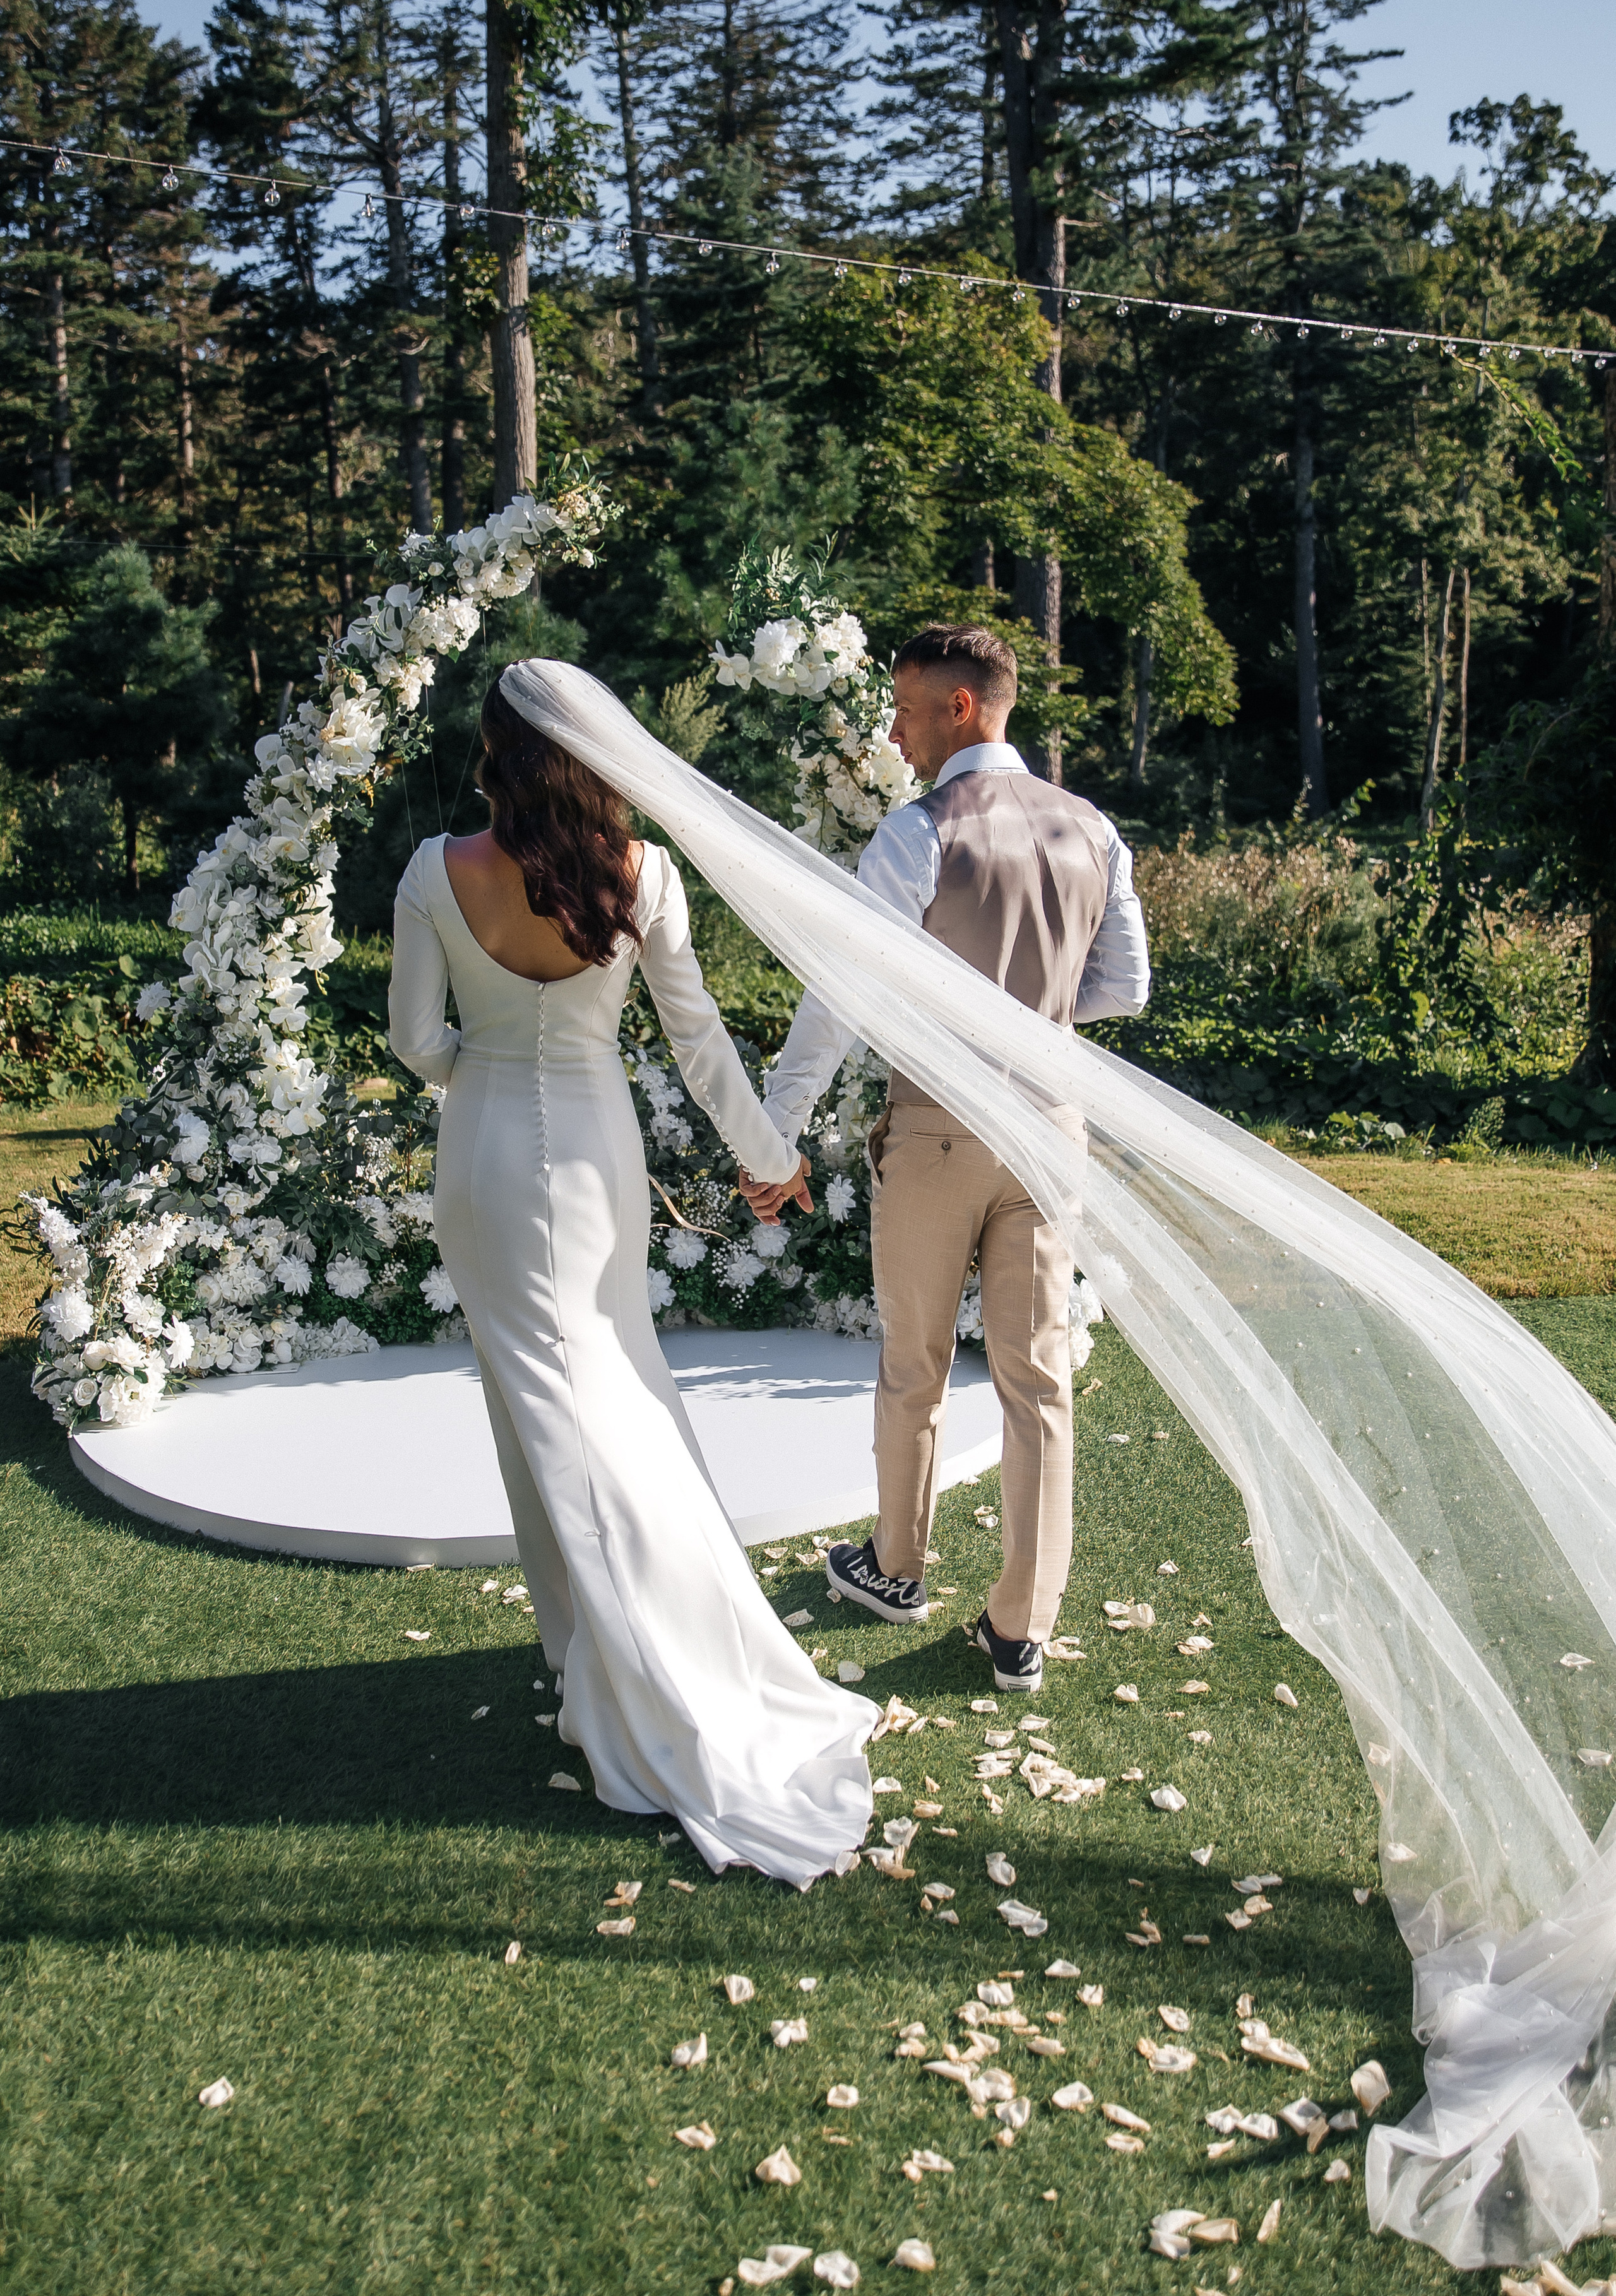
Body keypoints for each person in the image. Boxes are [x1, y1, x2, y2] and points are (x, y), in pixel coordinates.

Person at [386, 685, 876, 1888]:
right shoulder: (641, 875)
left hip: (488, 1152)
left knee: (551, 1407)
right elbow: (699, 1042)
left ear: (499, 754)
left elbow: (412, 1040)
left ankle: (645, 1666)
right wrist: (772, 1159)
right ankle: (592, 1650)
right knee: (595, 1394)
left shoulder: (434, 867)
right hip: (600, 1150)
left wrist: (483, 1063)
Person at [742, 625, 1151, 1695]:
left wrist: (776, 1129)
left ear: (961, 708)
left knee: (914, 1363)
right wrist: (1033, 1018)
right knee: (1037, 1379)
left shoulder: (920, 833)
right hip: (1051, 1134)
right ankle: (1021, 1628)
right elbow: (1126, 987)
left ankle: (896, 1565)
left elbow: (839, 991)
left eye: (907, 708)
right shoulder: (1096, 829)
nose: (895, 728)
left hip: (935, 1129)